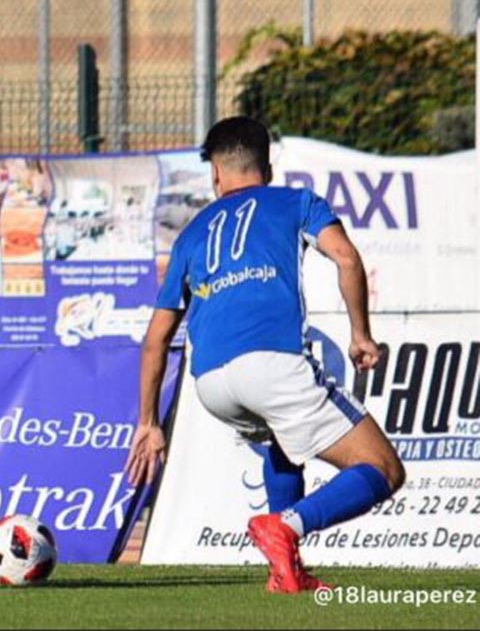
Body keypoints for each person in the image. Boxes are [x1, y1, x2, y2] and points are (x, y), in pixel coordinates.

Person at [126, 116, 404, 594]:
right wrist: (361, 334)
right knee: (383, 468)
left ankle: (286, 571)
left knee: (282, 442)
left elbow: (157, 337)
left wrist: (149, 422)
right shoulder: (294, 201)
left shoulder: (191, 234)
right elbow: (347, 257)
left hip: (211, 382)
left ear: (215, 173)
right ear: (268, 167)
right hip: (273, 365)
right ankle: (288, 526)